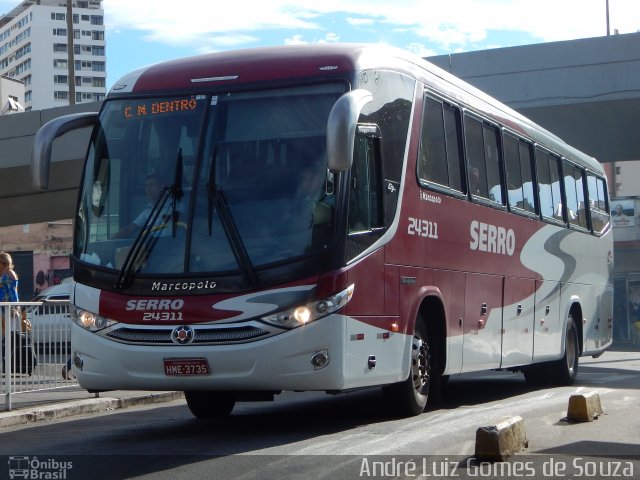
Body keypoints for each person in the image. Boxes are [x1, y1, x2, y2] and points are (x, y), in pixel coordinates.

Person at [113, 172, 183, 239]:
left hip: (175, 248)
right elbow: (129, 229)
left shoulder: (177, 205)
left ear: (162, 187)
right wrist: (109, 241)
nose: (148, 189)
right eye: (146, 185)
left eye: (151, 184)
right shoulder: (148, 211)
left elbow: (183, 220)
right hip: (154, 248)